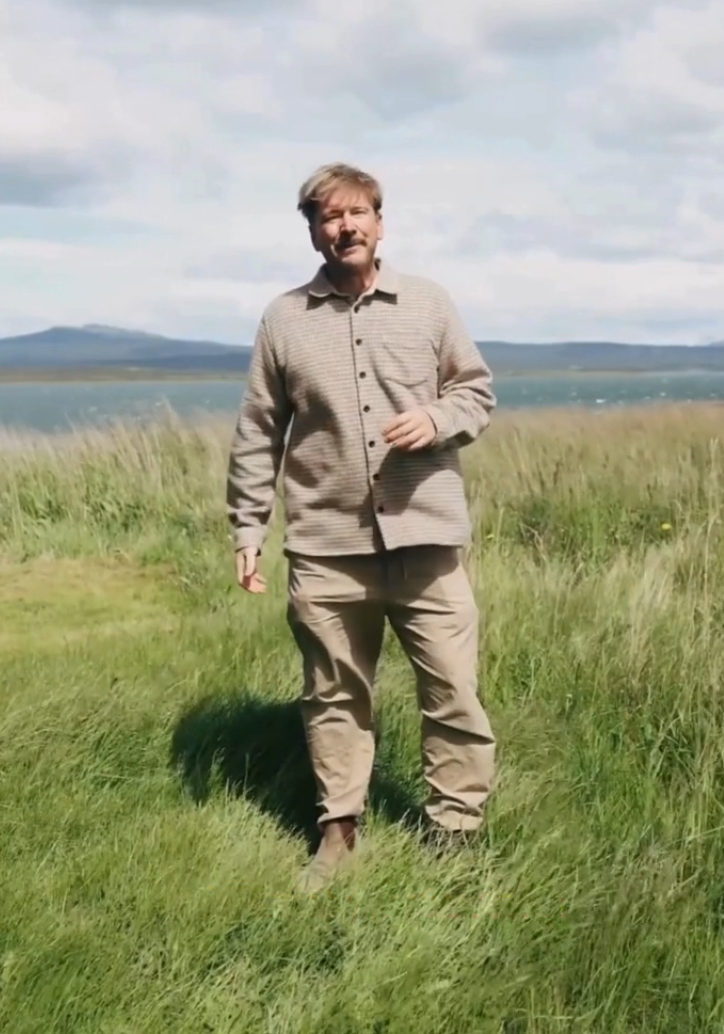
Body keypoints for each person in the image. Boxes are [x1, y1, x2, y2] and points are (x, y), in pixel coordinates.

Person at [226, 161, 497, 893]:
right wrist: (248, 527)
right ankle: (338, 832)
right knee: (334, 697)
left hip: (427, 542)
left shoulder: (429, 303)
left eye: (357, 214)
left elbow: (475, 391)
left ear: (380, 222)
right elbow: (258, 431)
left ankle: (456, 833)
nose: (345, 227)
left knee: (453, 691)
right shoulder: (283, 320)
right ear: (313, 232)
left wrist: (436, 419)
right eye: (329, 217)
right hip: (326, 551)